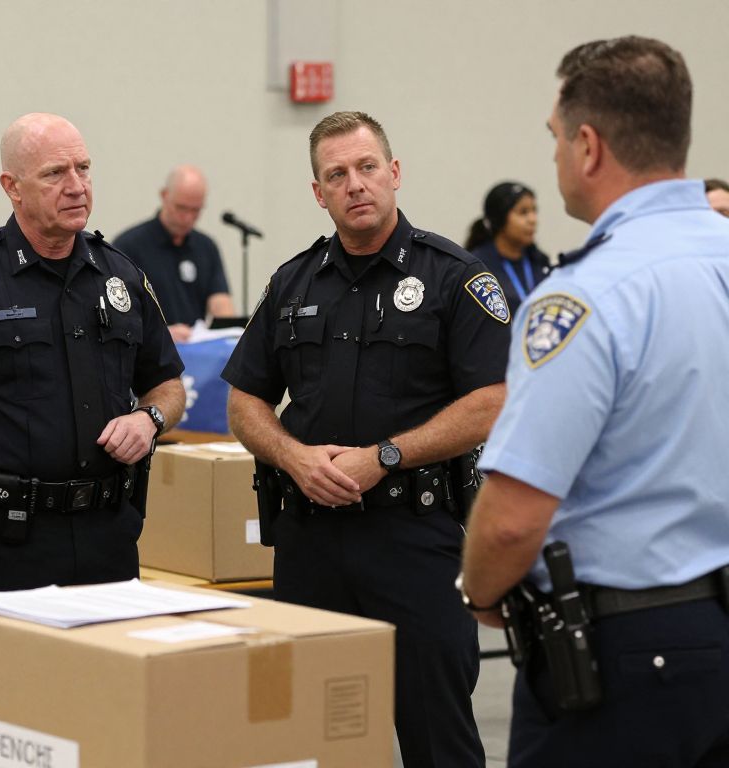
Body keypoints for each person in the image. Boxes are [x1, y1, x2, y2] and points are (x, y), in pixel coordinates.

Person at [459, 36, 729, 767]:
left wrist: (480, 591)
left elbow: (513, 521)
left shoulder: (585, 297)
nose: (553, 157)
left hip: (627, 655)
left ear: (587, 147)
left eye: (554, 138)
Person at [222, 110, 511, 768]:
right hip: (311, 541)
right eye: (336, 175)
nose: (355, 184)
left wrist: (387, 456)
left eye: (367, 167)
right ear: (317, 192)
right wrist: (293, 457)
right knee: (311, 739)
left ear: (394, 172)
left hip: (416, 539)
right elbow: (245, 400)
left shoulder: (454, 277)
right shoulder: (292, 283)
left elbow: (494, 401)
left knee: (437, 737)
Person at [0, 113, 186, 591]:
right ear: (12, 187)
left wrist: (148, 419)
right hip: (6, 541)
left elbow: (168, 385)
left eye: (83, 169)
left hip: (109, 538)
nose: (76, 186)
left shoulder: (121, 276)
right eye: (55, 173)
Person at [113, 165, 235, 341]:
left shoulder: (206, 247)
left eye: (195, 210)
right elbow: (120, 312)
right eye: (181, 208)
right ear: (164, 196)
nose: (188, 218)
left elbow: (221, 303)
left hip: (196, 349)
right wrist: (161, 333)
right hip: (151, 349)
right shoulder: (129, 246)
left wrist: (230, 331)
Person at [464, 181, 550, 314]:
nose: (533, 220)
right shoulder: (478, 268)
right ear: (499, 219)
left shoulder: (540, 262)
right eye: (523, 212)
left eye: (534, 210)